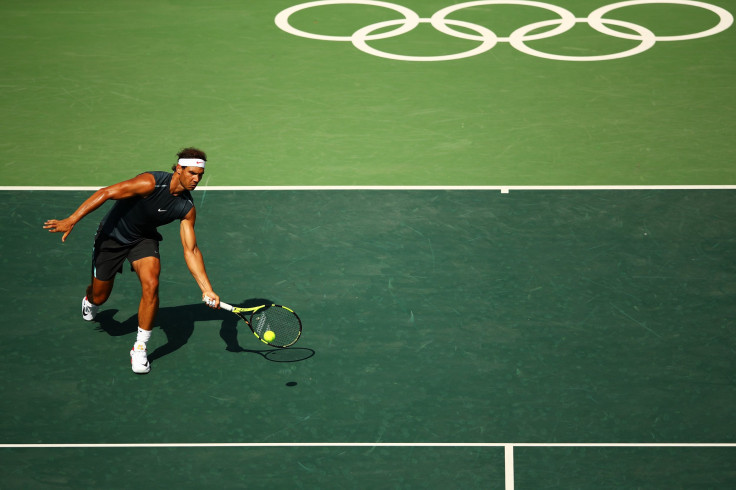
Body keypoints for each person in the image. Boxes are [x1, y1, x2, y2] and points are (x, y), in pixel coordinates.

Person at [44, 147, 221, 374]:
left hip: (143, 240)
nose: (196, 179)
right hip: (112, 236)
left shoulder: (186, 208)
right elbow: (106, 192)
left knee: (152, 283)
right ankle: (90, 300)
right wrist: (72, 219)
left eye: (200, 175)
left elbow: (191, 250)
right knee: (100, 295)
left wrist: (207, 289)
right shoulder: (150, 183)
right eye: (192, 173)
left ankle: (139, 348)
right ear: (179, 169)